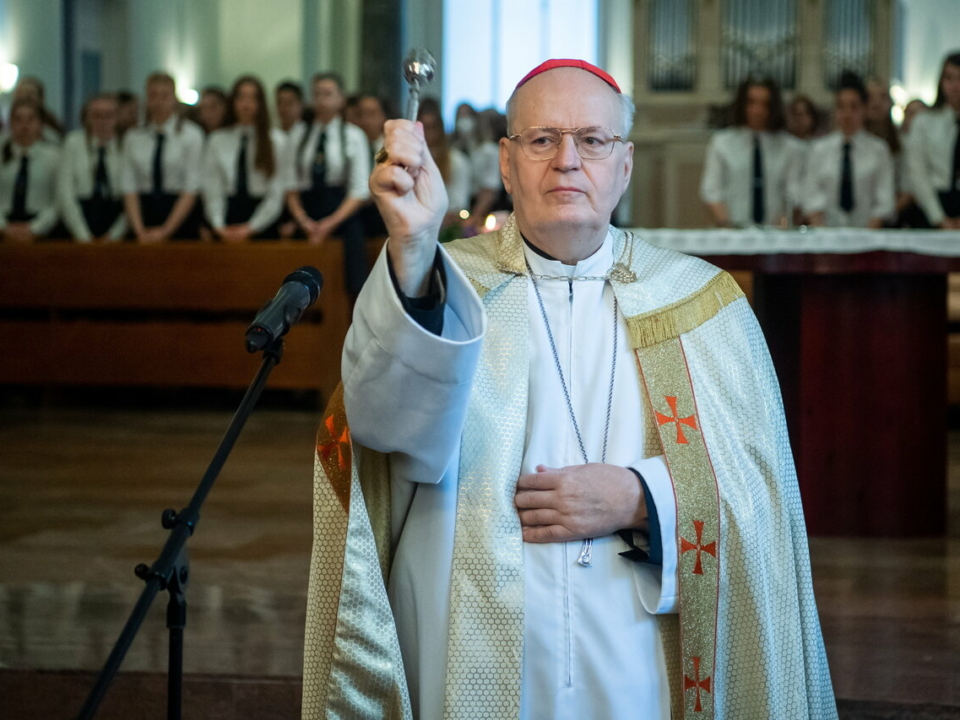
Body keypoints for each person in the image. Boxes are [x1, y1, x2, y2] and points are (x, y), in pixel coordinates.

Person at [301, 58, 837, 720]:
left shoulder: (704, 303)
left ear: (626, 164)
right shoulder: (441, 286)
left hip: (637, 653)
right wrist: (413, 251)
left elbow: (764, 496)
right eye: (542, 139)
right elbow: (379, 432)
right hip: (466, 642)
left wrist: (643, 496)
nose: (567, 161)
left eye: (593, 140)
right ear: (505, 162)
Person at [284, 72, 371, 295]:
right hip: (307, 211)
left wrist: (329, 224)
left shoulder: (353, 135)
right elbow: (290, 184)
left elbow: (359, 190)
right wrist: (304, 220)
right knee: (293, 273)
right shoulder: (299, 134)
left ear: (341, 99)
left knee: (351, 281)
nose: (322, 99)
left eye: (328, 94)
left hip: (341, 212)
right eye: (317, 94)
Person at [700, 76, 802, 227]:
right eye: (751, 102)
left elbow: (794, 193)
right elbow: (712, 191)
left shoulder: (790, 147)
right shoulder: (721, 143)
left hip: (776, 234)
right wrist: (728, 227)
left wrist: (782, 226)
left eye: (765, 104)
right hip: (733, 233)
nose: (758, 111)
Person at [802, 72, 894, 228]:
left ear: (864, 109)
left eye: (854, 106)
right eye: (841, 106)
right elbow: (811, 197)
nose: (847, 114)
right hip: (827, 235)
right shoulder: (818, 149)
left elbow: (885, 201)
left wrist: (866, 235)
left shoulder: (879, 150)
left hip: (867, 234)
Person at [121, 72, 204, 242]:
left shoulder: (191, 135)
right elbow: (129, 186)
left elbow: (191, 187)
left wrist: (166, 231)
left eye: (164, 96)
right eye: (153, 95)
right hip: (144, 210)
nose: (158, 102)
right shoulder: (133, 136)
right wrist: (139, 230)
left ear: (174, 99)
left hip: (178, 213)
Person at [201, 75, 286, 242]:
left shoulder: (276, 141)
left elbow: (276, 194)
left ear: (261, 103)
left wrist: (252, 227)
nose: (246, 104)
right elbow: (212, 188)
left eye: (252, 98)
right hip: (228, 216)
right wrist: (218, 225)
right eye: (241, 97)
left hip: (263, 221)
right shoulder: (217, 140)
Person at [58, 93, 127, 242]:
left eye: (108, 115)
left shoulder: (126, 145)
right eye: (96, 115)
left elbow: (131, 197)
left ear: (117, 117)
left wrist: (114, 236)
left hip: (114, 218)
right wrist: (83, 236)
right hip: (81, 218)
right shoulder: (73, 143)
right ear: (87, 117)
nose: (103, 121)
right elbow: (65, 193)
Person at [906, 51, 960, 229]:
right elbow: (918, 172)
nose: (955, 86)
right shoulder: (924, 121)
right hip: (933, 205)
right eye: (949, 78)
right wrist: (938, 217)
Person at [0, 99, 61, 242]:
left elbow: (58, 200)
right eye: (18, 120)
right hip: (4, 223)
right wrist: (3, 228)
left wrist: (36, 228)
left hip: (41, 227)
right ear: (11, 123)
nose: (24, 125)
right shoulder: (2, 154)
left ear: (40, 124)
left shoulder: (54, 157)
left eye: (30, 119)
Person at [417, 97, 472, 228]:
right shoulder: (411, 160)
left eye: (431, 128)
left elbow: (460, 204)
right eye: (423, 128)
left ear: (440, 129)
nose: (427, 133)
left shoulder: (456, 160)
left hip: (447, 228)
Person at [12, 76, 64, 144]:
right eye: (21, 92)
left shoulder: (52, 129)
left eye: (30, 93)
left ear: (40, 97)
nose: (25, 96)